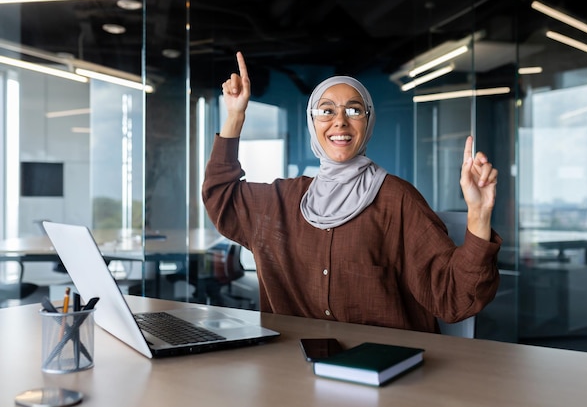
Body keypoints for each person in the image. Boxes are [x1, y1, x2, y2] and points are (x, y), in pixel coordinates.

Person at [203, 52, 501, 333]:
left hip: (385, 371)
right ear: (312, 120)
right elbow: (221, 198)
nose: (340, 121)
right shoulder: (280, 202)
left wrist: (479, 213)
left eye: (354, 110)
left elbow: (455, 296)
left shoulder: (397, 200)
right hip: (294, 372)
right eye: (326, 110)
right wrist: (235, 116)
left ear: (367, 121)